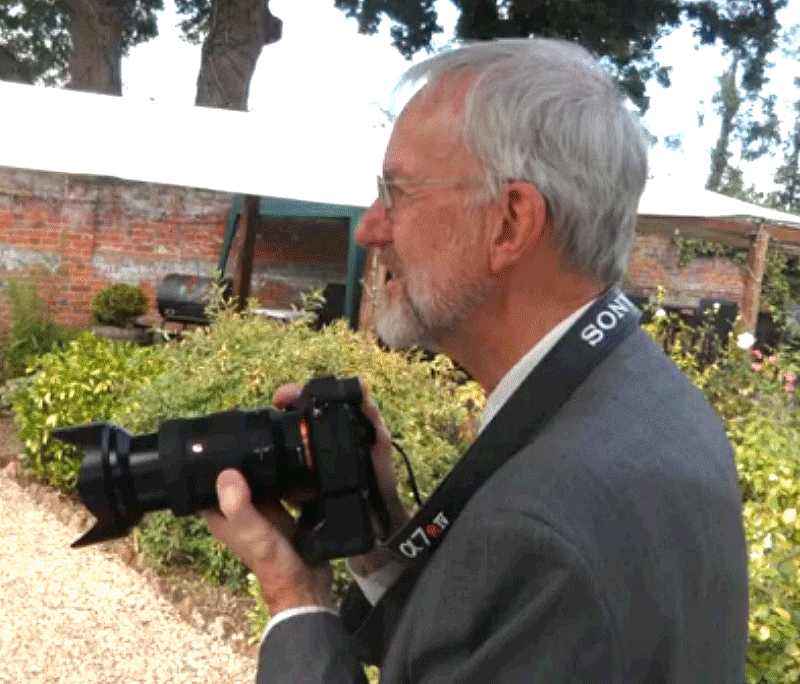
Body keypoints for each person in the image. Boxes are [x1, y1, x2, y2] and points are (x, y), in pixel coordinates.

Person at [202, 38, 749, 683]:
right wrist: (377, 528)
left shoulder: (543, 523)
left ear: (511, 224)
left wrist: (294, 598)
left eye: (395, 194)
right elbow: (487, 640)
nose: (369, 229)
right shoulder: (647, 402)